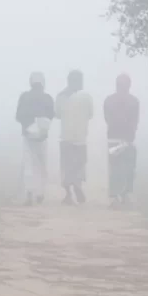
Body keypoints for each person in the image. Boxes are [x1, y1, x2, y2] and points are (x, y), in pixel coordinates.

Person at [15, 71, 54, 206]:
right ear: (43, 83)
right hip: (42, 137)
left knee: (29, 164)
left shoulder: (24, 97)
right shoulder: (47, 98)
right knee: (41, 165)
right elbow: (51, 115)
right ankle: (40, 193)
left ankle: (29, 193)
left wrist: (29, 125)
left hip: (28, 136)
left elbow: (18, 116)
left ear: (31, 82)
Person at [55, 70, 93, 205]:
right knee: (79, 165)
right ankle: (78, 185)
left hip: (66, 137)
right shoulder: (87, 97)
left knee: (66, 167)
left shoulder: (61, 96)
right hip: (81, 138)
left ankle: (68, 194)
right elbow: (90, 114)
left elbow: (57, 114)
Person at [104, 73, 140, 206]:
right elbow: (135, 120)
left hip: (115, 138)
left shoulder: (109, 100)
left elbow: (107, 118)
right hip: (126, 138)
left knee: (117, 168)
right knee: (127, 168)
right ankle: (124, 195)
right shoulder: (134, 101)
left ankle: (116, 196)